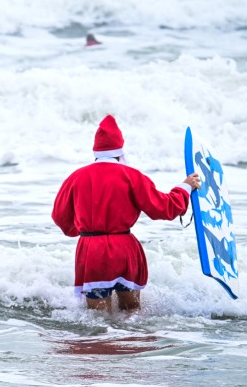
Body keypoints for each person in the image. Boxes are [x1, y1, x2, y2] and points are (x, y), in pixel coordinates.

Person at [51, 115, 201, 312]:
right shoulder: (132, 176)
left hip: (91, 251)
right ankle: (131, 341)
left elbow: (60, 216)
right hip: (125, 250)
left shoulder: (76, 177)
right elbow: (164, 208)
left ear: (95, 151)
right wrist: (185, 188)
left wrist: (81, 232)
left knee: (97, 320)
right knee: (131, 314)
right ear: (120, 151)